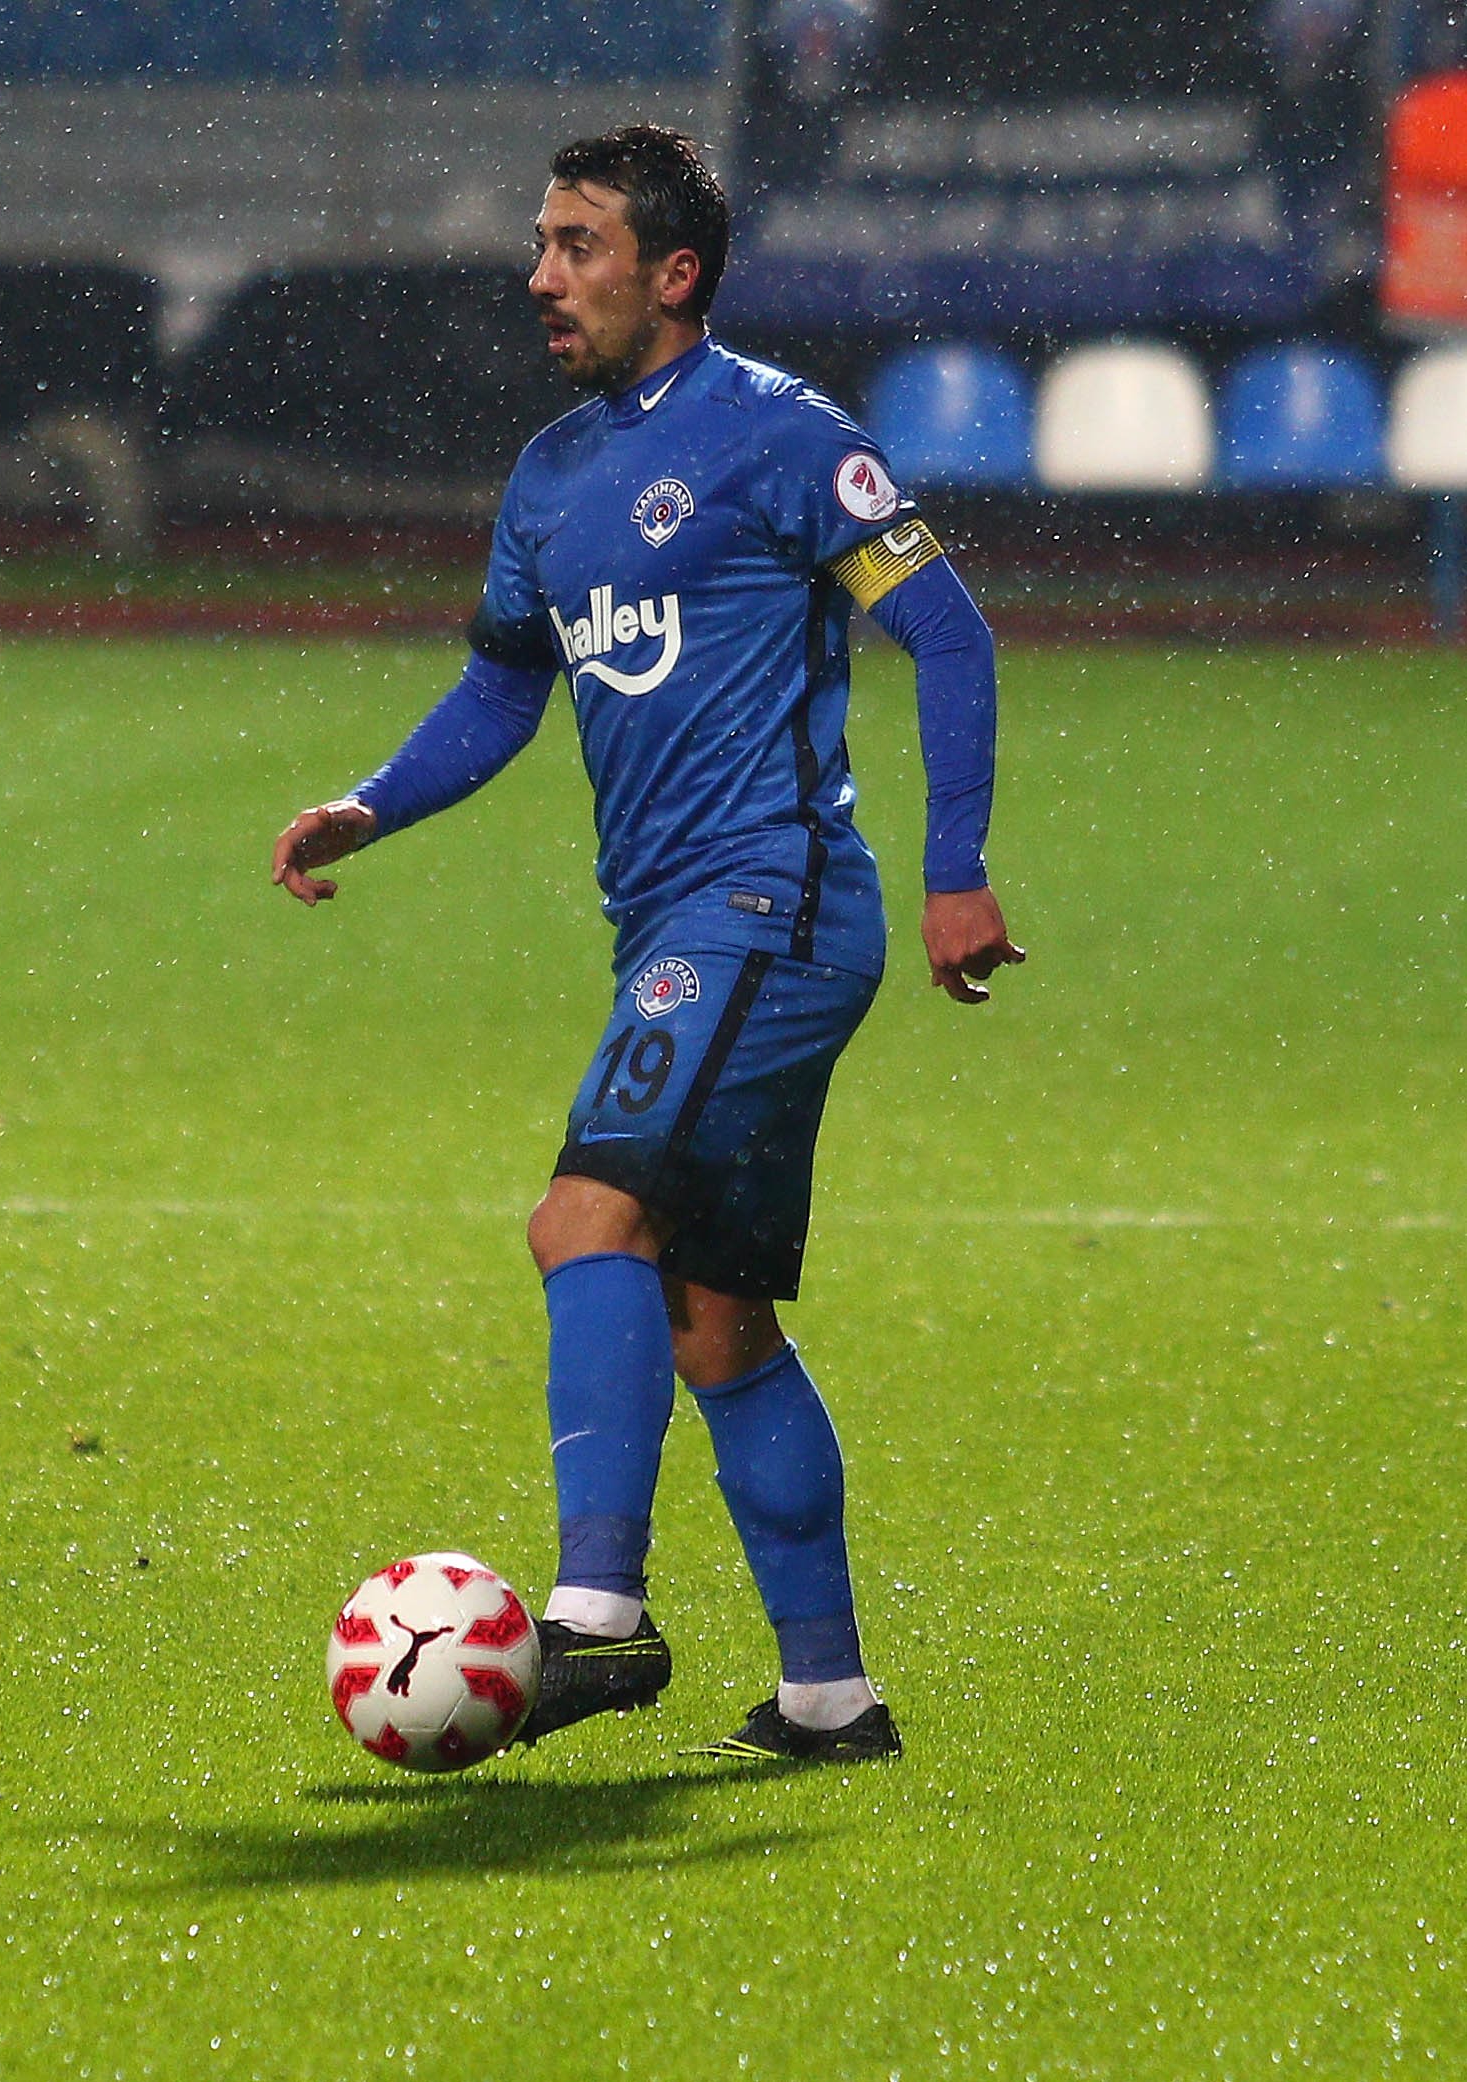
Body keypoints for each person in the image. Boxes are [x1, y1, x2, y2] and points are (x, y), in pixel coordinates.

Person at [274, 125, 1022, 1765]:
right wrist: (370, 806)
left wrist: (954, 870)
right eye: (540, 243)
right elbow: (500, 690)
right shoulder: (550, 478)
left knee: (583, 1215)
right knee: (716, 1321)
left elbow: (946, 632)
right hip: (685, 928)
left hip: (771, 906)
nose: (541, 276)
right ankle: (828, 1696)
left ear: (673, 273)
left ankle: (597, 1613)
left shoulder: (781, 435)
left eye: (578, 246)